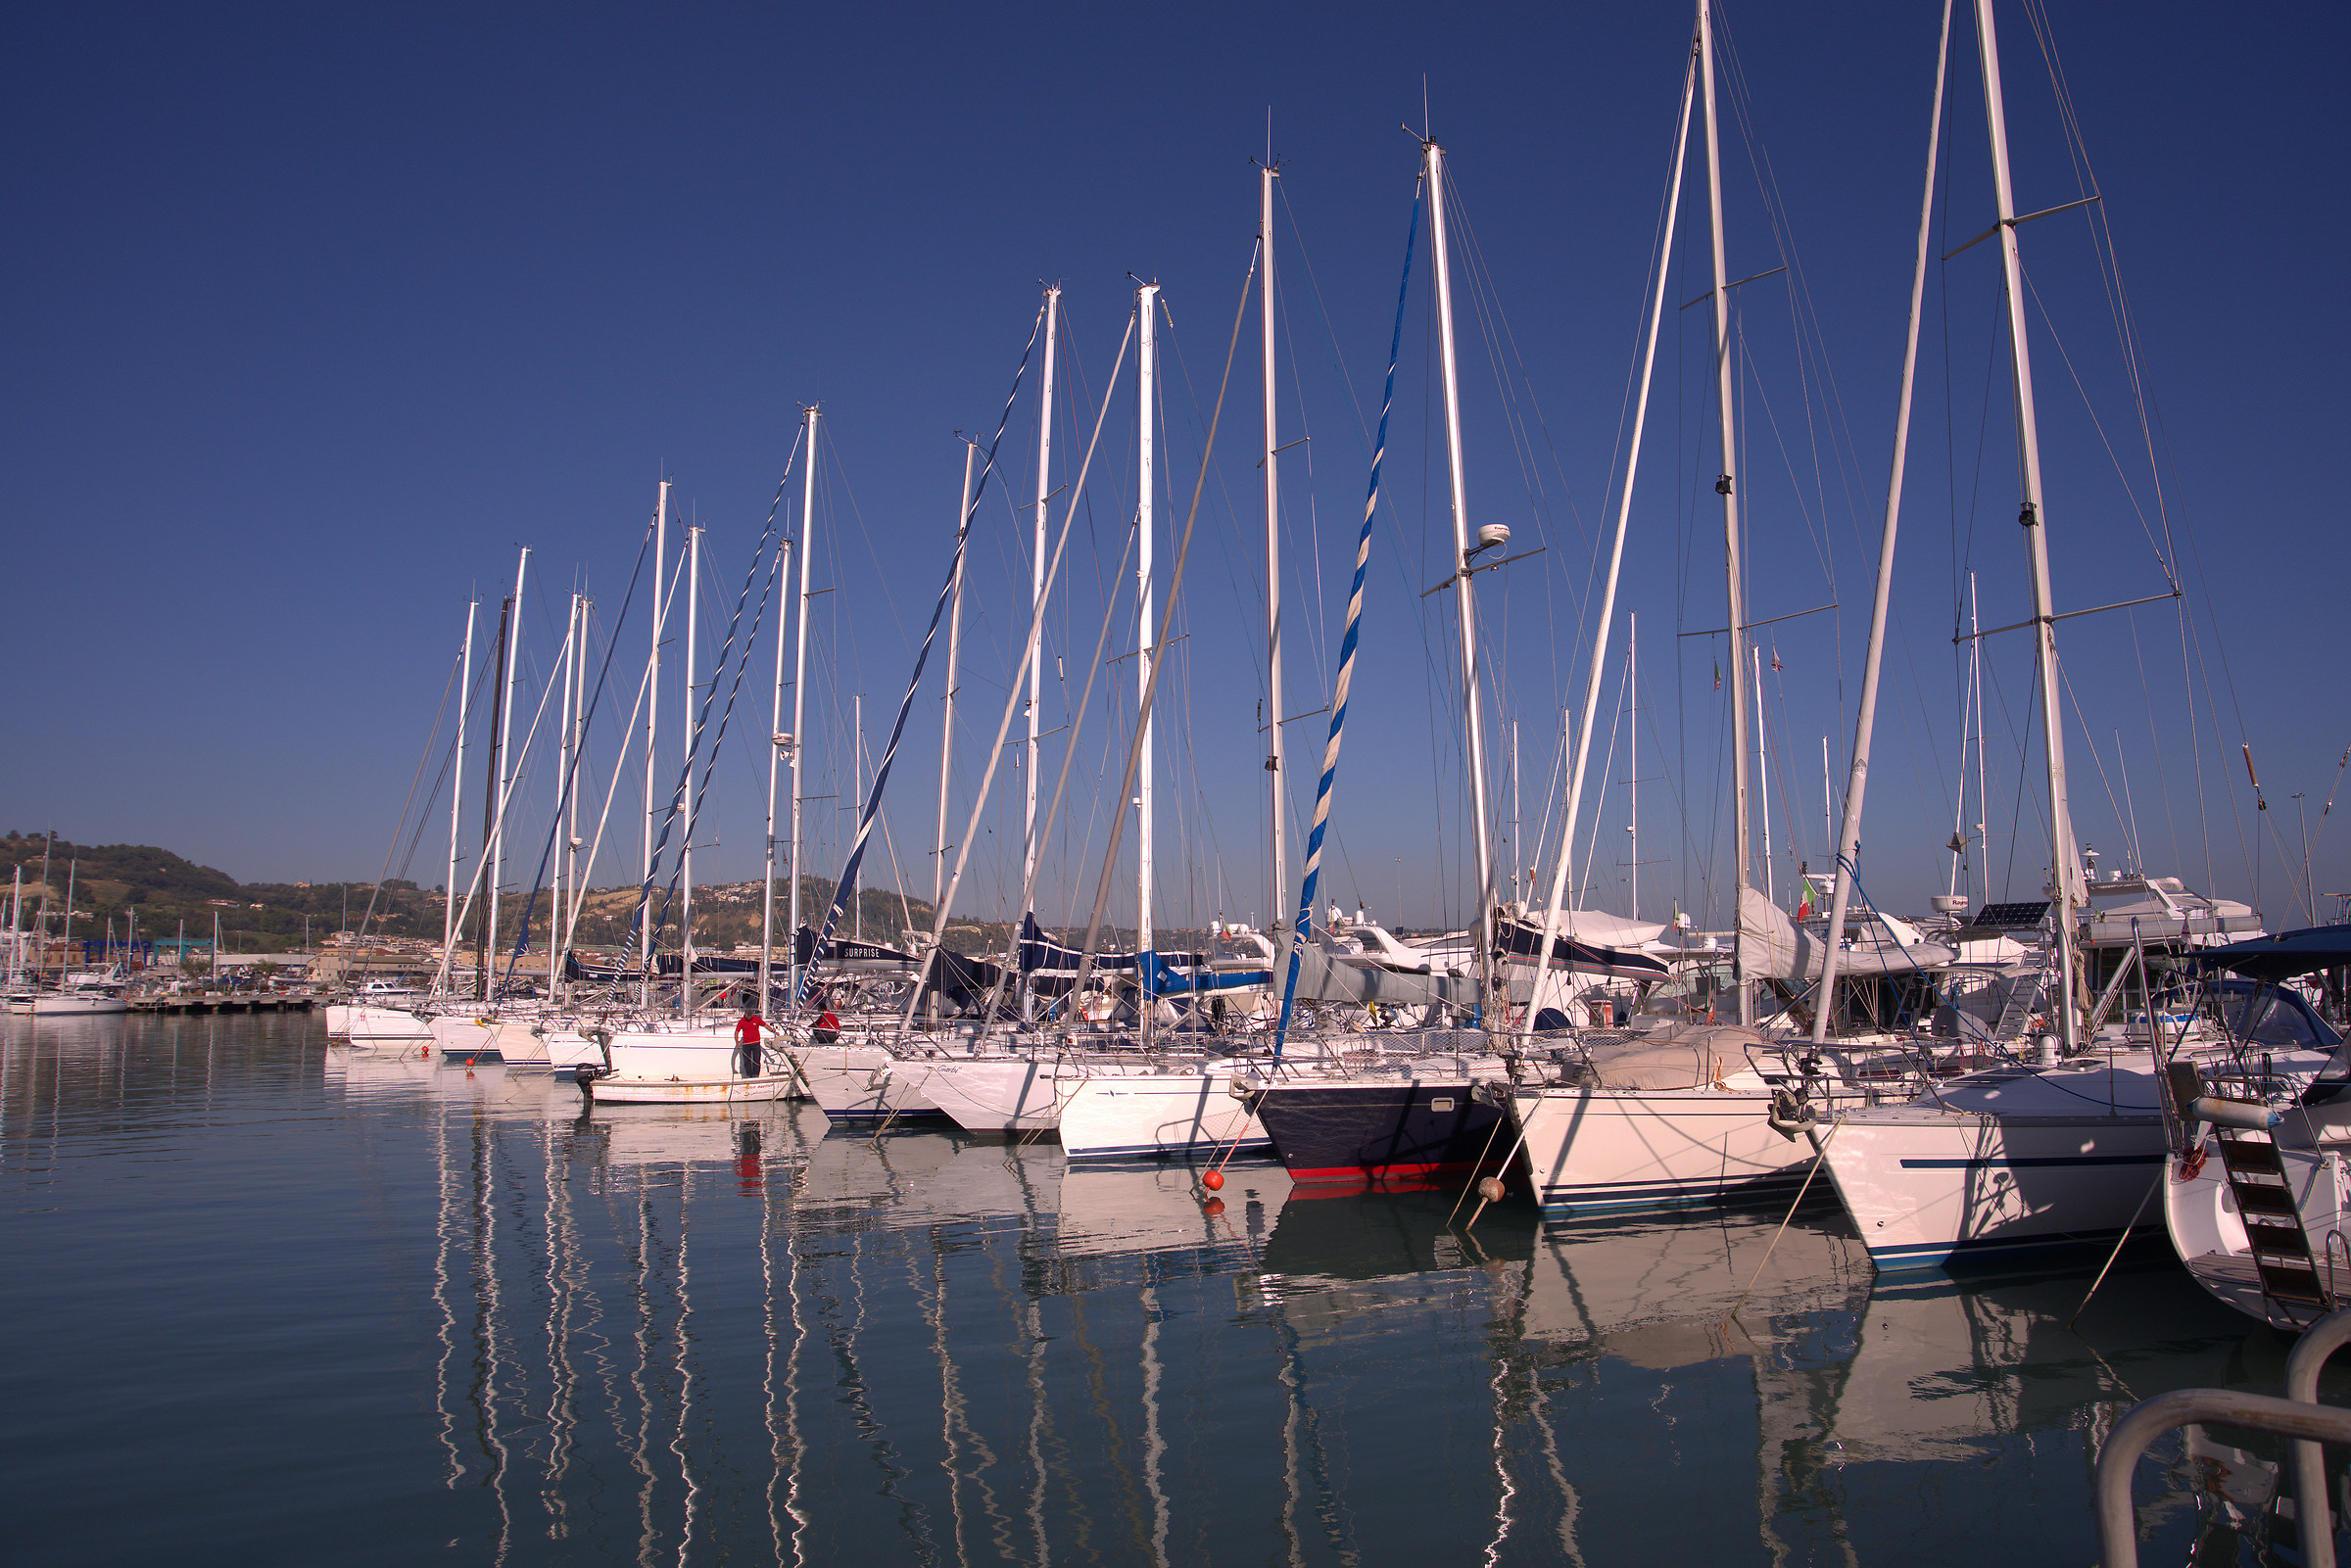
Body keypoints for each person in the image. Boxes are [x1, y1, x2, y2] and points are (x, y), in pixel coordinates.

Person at [735, 1004, 770, 1077]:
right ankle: (749, 1075)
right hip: (746, 1044)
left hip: (756, 1043)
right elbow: (737, 1031)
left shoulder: (756, 1019)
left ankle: (756, 1074)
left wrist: (773, 1031)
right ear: (746, 1015)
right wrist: (737, 1041)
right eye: (748, 1016)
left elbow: (765, 1025)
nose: (750, 1018)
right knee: (747, 1061)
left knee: (756, 1060)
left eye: (751, 1016)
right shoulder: (741, 1021)